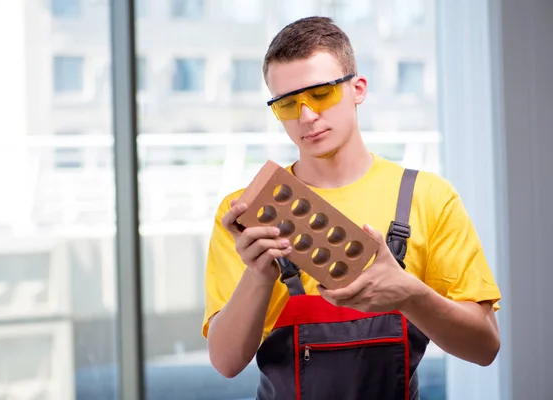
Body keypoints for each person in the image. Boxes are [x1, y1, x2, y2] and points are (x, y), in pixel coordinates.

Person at [202, 16, 501, 399]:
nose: (306, 116)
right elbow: (226, 362)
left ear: (357, 88)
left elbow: (485, 347)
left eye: (321, 93)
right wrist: (259, 275)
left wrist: (410, 295)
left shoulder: (427, 198)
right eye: (288, 104)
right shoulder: (247, 215)